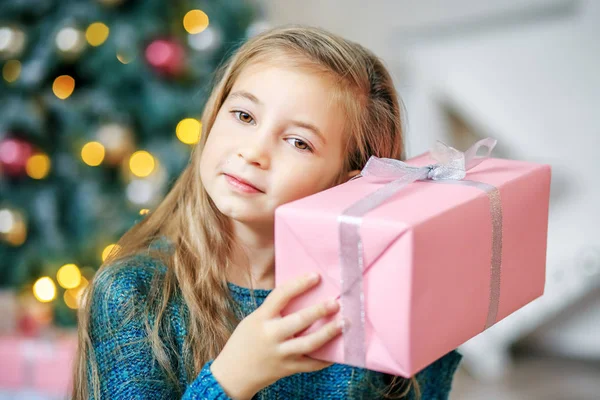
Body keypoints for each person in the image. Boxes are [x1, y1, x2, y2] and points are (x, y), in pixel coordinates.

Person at [72, 25, 463, 400]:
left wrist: (435, 322)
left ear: (350, 180)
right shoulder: (133, 293)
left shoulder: (368, 302)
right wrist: (231, 379)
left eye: (298, 142)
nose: (253, 152)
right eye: (244, 116)